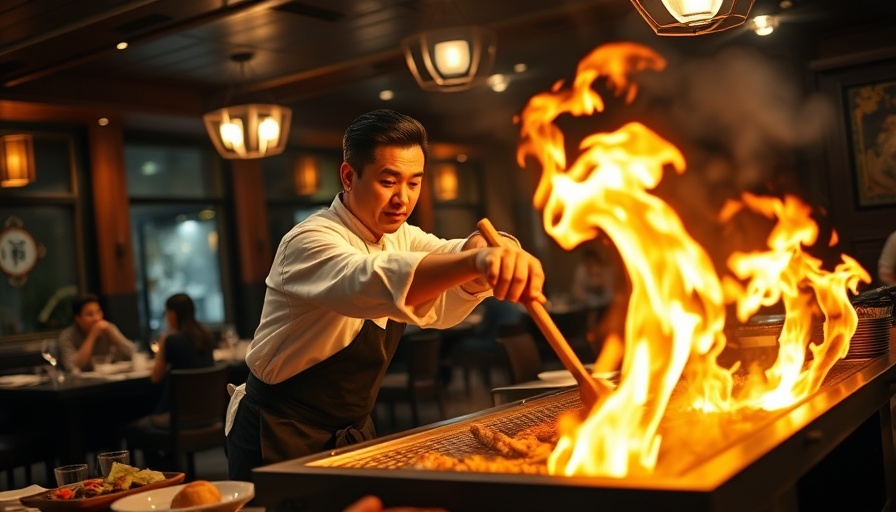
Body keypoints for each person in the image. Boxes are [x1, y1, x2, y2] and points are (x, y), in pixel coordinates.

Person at [225, 109, 545, 481]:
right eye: (389, 181)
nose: (402, 199)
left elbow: (453, 251)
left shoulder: (400, 236)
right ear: (348, 175)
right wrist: (478, 261)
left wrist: (495, 250)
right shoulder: (309, 239)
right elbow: (367, 280)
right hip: (279, 431)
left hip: (351, 429)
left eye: (414, 183)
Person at [58, 293, 136, 372]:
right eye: (90, 314)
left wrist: (114, 335)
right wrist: (92, 336)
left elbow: (132, 353)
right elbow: (74, 366)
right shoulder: (67, 336)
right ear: (78, 318)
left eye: (98, 312)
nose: (97, 318)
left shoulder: (108, 328)